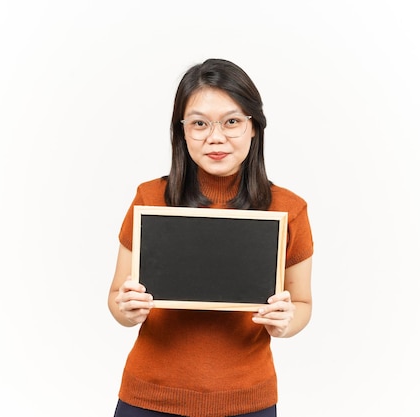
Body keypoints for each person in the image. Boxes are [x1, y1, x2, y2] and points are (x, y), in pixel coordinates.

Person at [108, 58, 314, 417]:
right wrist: (127, 311)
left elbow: (302, 305)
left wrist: (286, 322)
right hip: (149, 398)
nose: (215, 136)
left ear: (254, 127)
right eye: (199, 123)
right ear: (182, 130)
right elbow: (117, 299)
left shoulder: (288, 209)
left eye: (231, 121)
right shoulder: (149, 199)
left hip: (247, 400)